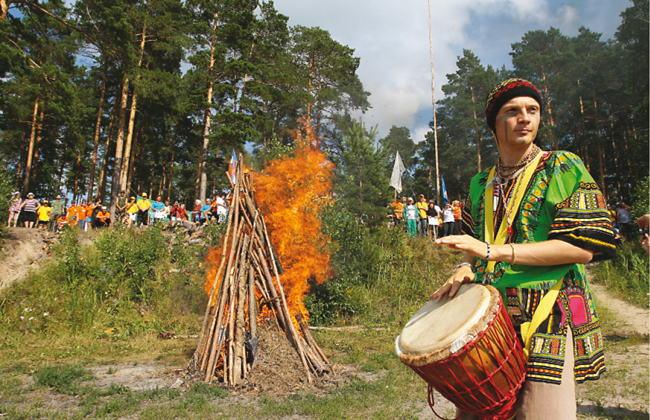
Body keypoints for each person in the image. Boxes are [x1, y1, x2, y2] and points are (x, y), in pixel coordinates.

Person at [431, 79, 616, 420]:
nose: (524, 118)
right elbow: (474, 244)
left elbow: (581, 249)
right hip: (490, 318)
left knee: (541, 413)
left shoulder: (561, 166)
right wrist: (464, 266)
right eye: (512, 111)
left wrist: (494, 251)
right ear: (493, 123)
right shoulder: (480, 182)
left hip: (549, 314)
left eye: (532, 110)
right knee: (481, 411)